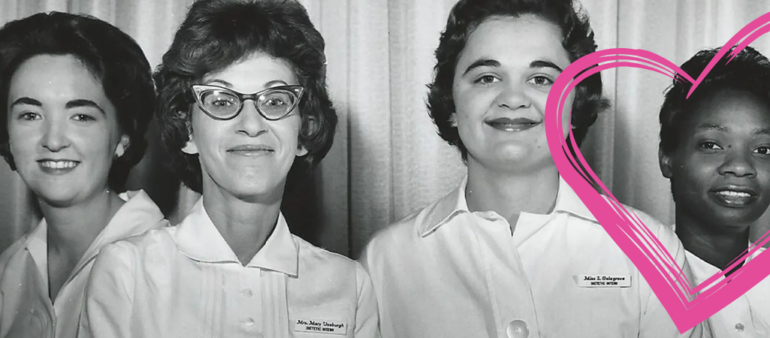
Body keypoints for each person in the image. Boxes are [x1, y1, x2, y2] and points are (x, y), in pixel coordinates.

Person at [360, 0, 703, 337]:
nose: (512, 98)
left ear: (574, 105)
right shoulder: (384, 261)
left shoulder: (651, 249)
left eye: (540, 79)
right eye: (487, 77)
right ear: (451, 103)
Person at [80, 0, 379, 337]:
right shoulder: (127, 271)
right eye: (221, 101)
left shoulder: (348, 286)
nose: (251, 124)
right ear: (187, 131)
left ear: (304, 132)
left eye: (276, 101)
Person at [0, 12, 164, 338]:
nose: (53, 140)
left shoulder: (165, 265)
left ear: (123, 137)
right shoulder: (9, 268)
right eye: (30, 114)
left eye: (81, 117)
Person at [659, 46, 770, 337]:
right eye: (711, 145)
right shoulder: (628, 283)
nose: (740, 167)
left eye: (763, 149)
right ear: (667, 157)